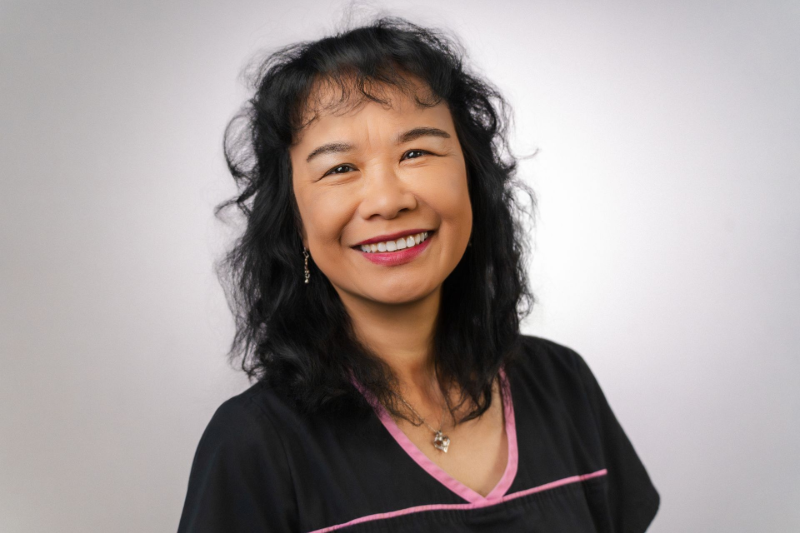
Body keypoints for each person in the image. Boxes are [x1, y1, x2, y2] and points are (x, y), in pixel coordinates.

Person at [177, 16, 659, 533]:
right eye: (340, 168)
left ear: (472, 179)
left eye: (416, 152)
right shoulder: (256, 444)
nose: (387, 200)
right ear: (292, 218)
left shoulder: (563, 386)